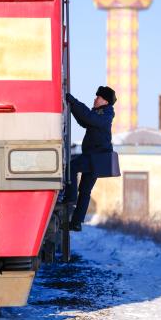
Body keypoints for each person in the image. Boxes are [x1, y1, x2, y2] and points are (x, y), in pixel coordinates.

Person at [64, 86, 118, 231]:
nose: (95, 99)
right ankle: (76, 222)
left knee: (72, 167)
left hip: (96, 157)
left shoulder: (106, 114)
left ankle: (70, 198)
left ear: (105, 101)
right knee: (85, 190)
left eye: (98, 97)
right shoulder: (99, 113)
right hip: (94, 157)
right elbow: (84, 121)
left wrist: (73, 101)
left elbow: (88, 117)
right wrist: (72, 106)